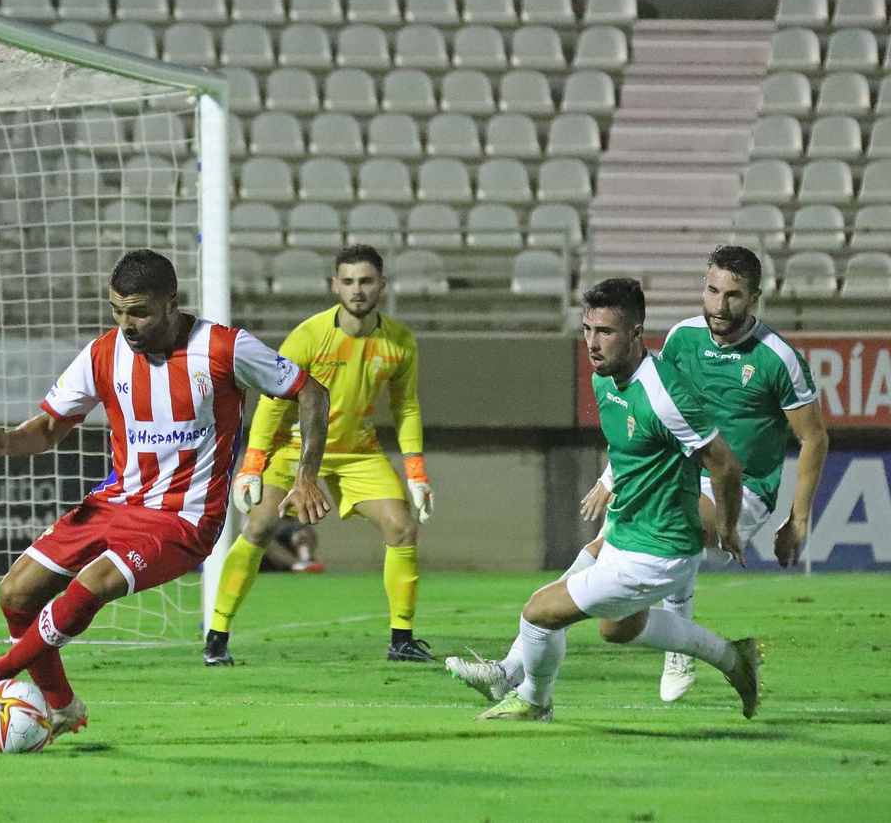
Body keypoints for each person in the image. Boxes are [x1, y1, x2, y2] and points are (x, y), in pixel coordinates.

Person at [0, 249, 331, 739]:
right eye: (117, 310)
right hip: (116, 501)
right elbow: (51, 427)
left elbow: (312, 393)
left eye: (138, 311)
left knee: (92, 585)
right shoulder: (104, 352)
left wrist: (306, 474)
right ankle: (62, 707)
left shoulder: (223, 348)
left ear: (171, 304)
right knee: (15, 592)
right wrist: (9, 441)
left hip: (183, 518)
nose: (126, 323)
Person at [447, 246, 825, 703]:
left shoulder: (776, 357)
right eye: (712, 291)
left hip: (743, 491)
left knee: (648, 529)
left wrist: (798, 518)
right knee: (615, 618)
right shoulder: (684, 339)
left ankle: (517, 675)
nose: (720, 305)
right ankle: (718, 652)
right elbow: (651, 413)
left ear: (755, 297)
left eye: (733, 296)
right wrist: (611, 479)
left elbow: (812, 439)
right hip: (691, 474)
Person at [471, 278, 763, 722]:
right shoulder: (605, 378)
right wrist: (612, 482)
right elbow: (633, 449)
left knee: (539, 613)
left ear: (635, 332)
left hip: (658, 551)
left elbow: (725, 466)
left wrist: (725, 528)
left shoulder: (665, 395)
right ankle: (732, 658)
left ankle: (533, 699)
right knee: (619, 628)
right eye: (587, 329)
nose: (592, 343)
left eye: (605, 331)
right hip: (628, 534)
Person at [203, 244, 434, 666]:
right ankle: (216, 637)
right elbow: (273, 403)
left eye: (365, 281)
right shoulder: (307, 337)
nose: (357, 290)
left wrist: (416, 472)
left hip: (358, 452)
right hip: (295, 447)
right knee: (259, 525)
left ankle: (401, 639)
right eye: (348, 281)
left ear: (381, 285)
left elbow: (406, 408)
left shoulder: (400, 342)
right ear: (335, 285)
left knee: (402, 526)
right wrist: (251, 466)